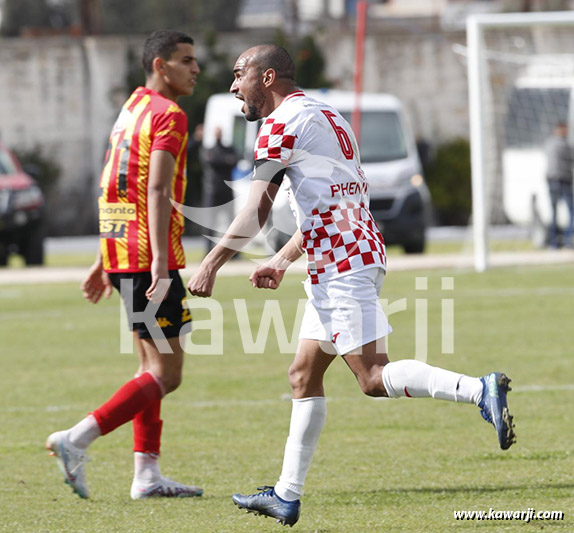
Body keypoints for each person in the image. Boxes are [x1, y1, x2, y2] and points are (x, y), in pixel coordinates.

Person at [187, 45, 516, 527]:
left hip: (342, 263)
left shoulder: (279, 126)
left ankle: (478, 390)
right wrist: (281, 260)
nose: (234, 86)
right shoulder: (325, 113)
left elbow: (256, 209)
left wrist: (211, 263)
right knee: (303, 374)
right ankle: (285, 495)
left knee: (371, 377)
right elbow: (332, 202)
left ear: (268, 76)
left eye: (240, 76)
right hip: (345, 252)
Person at [46, 30, 203, 500]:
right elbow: (154, 189)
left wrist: (103, 257)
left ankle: (147, 475)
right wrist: (158, 262)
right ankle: (76, 439)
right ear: (160, 64)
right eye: (186, 60)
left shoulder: (132, 108)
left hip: (123, 253)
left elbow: (114, 185)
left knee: (146, 367)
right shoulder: (170, 114)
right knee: (166, 375)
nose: (196, 69)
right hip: (147, 258)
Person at [200, 126, 238, 254]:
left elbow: (234, 160)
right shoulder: (209, 150)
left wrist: (221, 161)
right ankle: (208, 250)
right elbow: (211, 161)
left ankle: (233, 251)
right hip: (212, 191)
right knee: (210, 223)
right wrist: (225, 161)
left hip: (226, 191)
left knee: (232, 222)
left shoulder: (228, 149)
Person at [545, 122, 574, 248]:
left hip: (552, 180)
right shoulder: (563, 145)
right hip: (562, 180)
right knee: (571, 211)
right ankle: (568, 241)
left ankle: (554, 243)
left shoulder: (548, 143)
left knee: (554, 212)